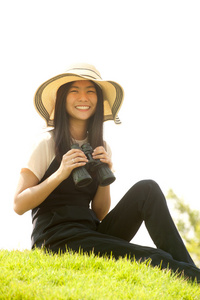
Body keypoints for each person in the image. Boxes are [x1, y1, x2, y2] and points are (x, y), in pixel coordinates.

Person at [14, 63, 200, 283]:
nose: (83, 97)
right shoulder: (46, 143)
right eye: (74, 91)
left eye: (90, 91)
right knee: (156, 257)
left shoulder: (100, 146)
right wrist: (60, 173)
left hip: (91, 232)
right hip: (57, 239)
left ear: (98, 101)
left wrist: (106, 176)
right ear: (62, 99)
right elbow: (19, 204)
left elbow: (100, 212)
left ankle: (191, 273)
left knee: (147, 189)